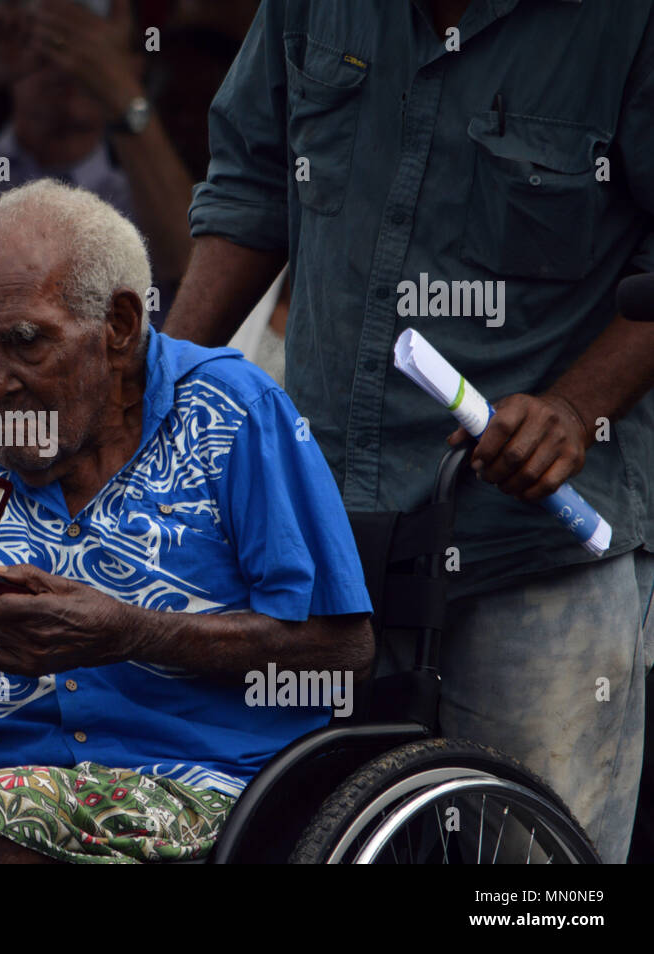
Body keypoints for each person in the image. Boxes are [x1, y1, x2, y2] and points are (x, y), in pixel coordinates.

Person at [163, 0, 654, 863]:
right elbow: (249, 185)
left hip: (531, 550)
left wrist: (577, 408)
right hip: (327, 542)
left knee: (533, 890)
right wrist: (157, 389)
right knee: (303, 838)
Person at [0, 180, 374, 863]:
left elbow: (342, 653)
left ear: (117, 326)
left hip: (218, 794)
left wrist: (132, 632)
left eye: (26, 343)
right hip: (2, 784)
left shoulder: (231, 417)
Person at [0, 0, 194, 293]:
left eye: (92, 51)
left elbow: (186, 264)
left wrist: (123, 96)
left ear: (133, 69)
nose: (67, 64)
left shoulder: (143, 200)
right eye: (49, 44)